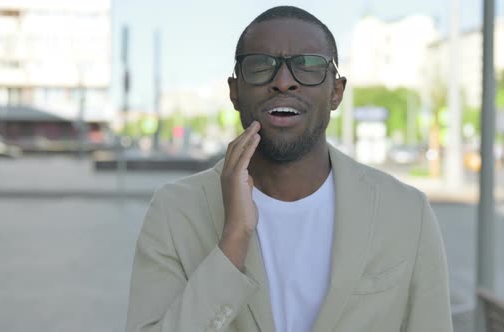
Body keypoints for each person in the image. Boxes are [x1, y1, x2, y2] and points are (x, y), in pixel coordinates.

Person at [126, 6, 452, 332]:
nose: (283, 82)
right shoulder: (174, 211)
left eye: (308, 67)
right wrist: (233, 240)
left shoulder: (407, 212)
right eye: (260, 66)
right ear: (234, 91)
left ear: (336, 92)